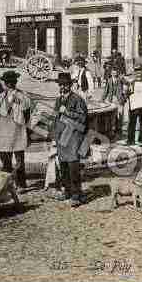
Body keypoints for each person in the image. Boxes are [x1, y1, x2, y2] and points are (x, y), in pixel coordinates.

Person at [50, 72, 88, 207]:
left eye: (65, 85)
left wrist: (66, 111)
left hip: (73, 137)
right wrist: (54, 136)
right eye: (60, 85)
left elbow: (83, 118)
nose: (62, 87)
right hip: (61, 137)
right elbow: (55, 119)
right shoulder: (58, 100)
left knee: (73, 166)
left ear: (70, 85)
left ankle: (76, 194)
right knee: (64, 166)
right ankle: (67, 191)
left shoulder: (77, 99)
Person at [0, 70, 31, 191]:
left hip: (17, 129)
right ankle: (8, 184)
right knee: (5, 158)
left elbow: (27, 113)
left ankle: (21, 183)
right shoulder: (1, 96)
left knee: (19, 158)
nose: (6, 84)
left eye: (7, 82)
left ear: (11, 83)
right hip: (3, 129)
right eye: (6, 82)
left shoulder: (22, 96)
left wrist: (26, 129)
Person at [102, 67, 126, 136]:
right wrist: (102, 99)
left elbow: (127, 84)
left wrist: (124, 97)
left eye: (115, 72)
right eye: (113, 72)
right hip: (111, 100)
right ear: (111, 73)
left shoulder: (121, 79)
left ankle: (119, 130)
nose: (114, 74)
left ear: (117, 72)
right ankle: (112, 130)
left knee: (120, 115)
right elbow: (106, 91)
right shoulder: (109, 80)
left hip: (119, 100)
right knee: (112, 115)